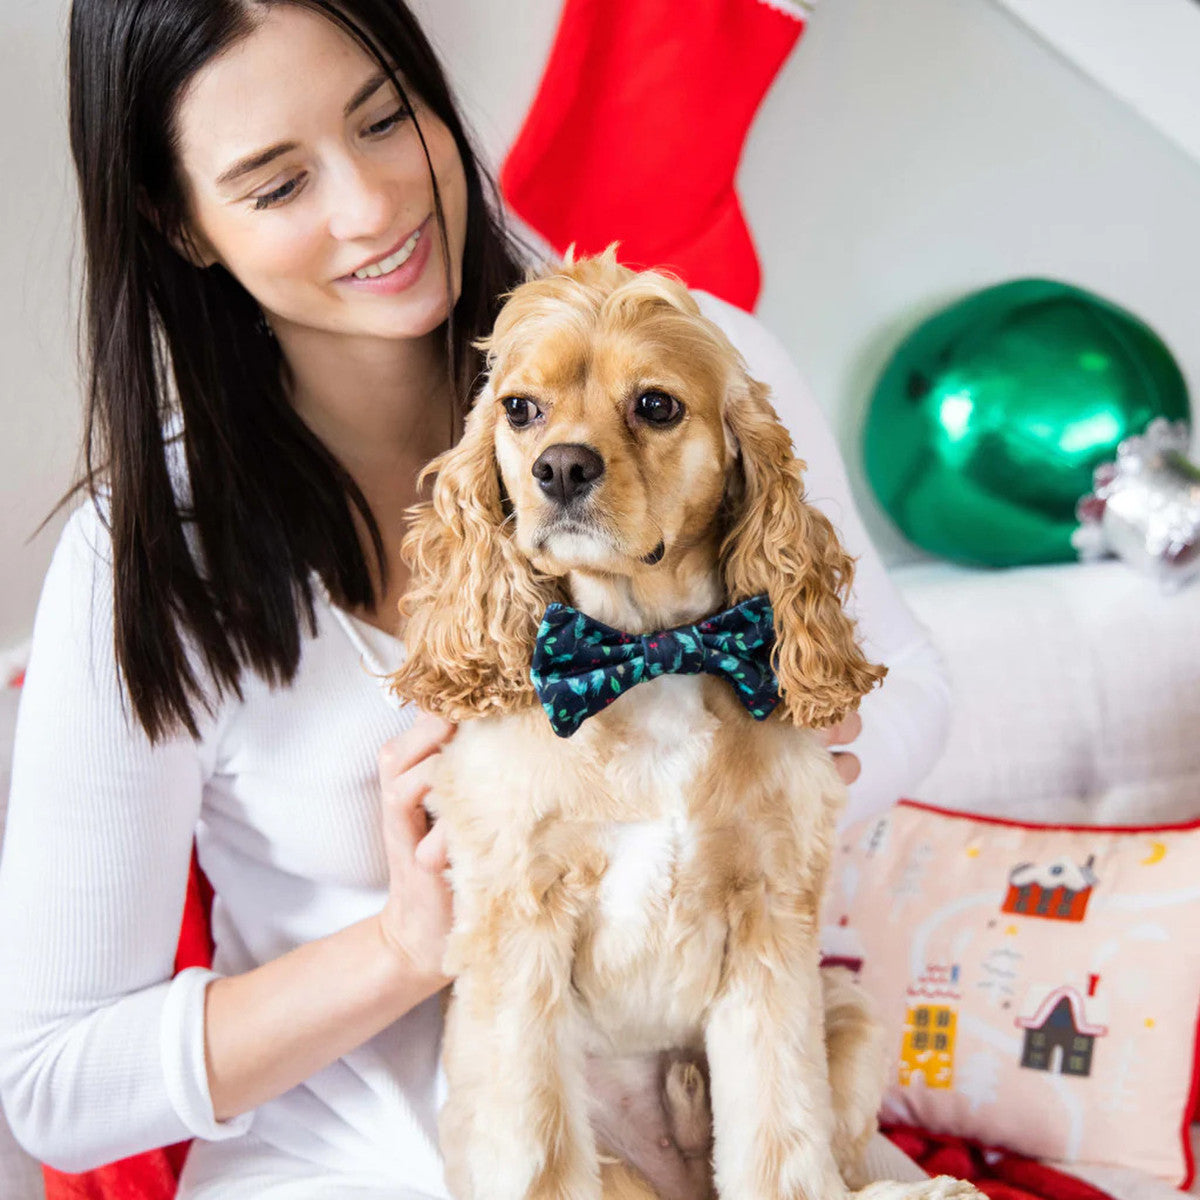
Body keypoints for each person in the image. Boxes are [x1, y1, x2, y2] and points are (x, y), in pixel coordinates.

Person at [0, 1, 948, 1196]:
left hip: (738, 1112)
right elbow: (54, 1083)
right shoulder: (148, 556)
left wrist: (747, 790)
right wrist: (406, 943)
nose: (371, 206)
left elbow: (908, 685)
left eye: (387, 119)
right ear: (176, 220)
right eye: (277, 185)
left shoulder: (689, 366)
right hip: (361, 1166)